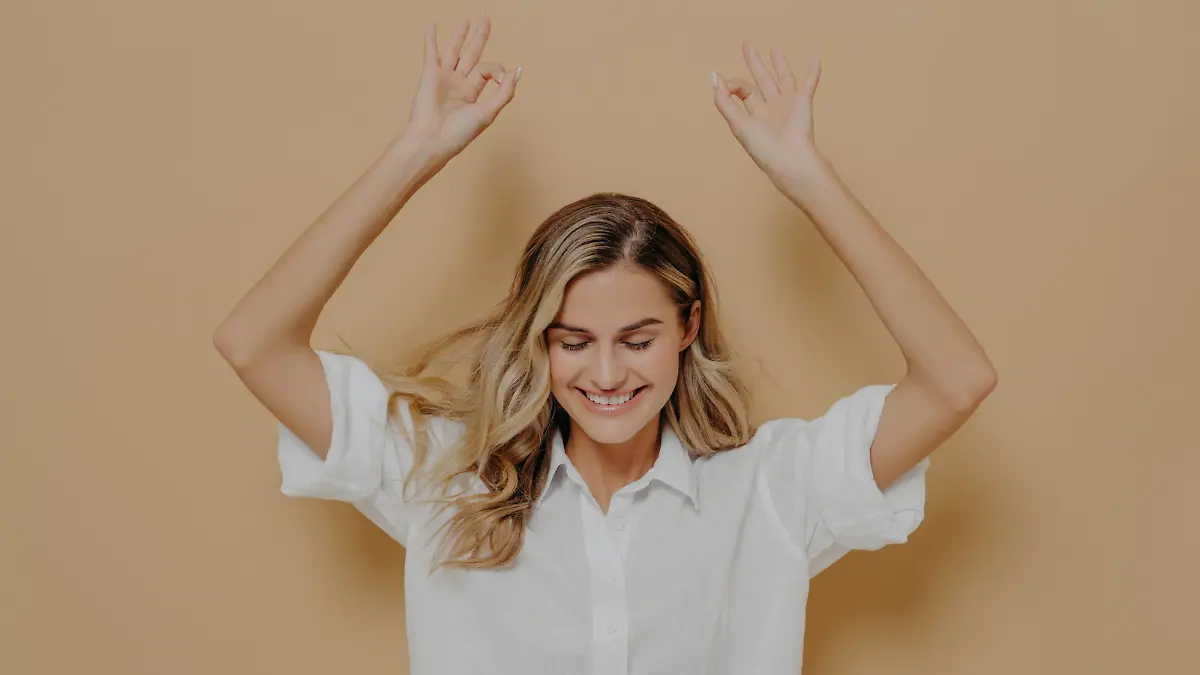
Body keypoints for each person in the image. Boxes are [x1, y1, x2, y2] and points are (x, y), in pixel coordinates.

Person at [213, 15, 996, 675]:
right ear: (539, 342)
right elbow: (254, 343)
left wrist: (808, 179)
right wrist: (418, 149)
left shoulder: (770, 492)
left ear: (688, 329)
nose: (609, 372)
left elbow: (957, 379)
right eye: (574, 341)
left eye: (639, 337)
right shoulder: (445, 479)